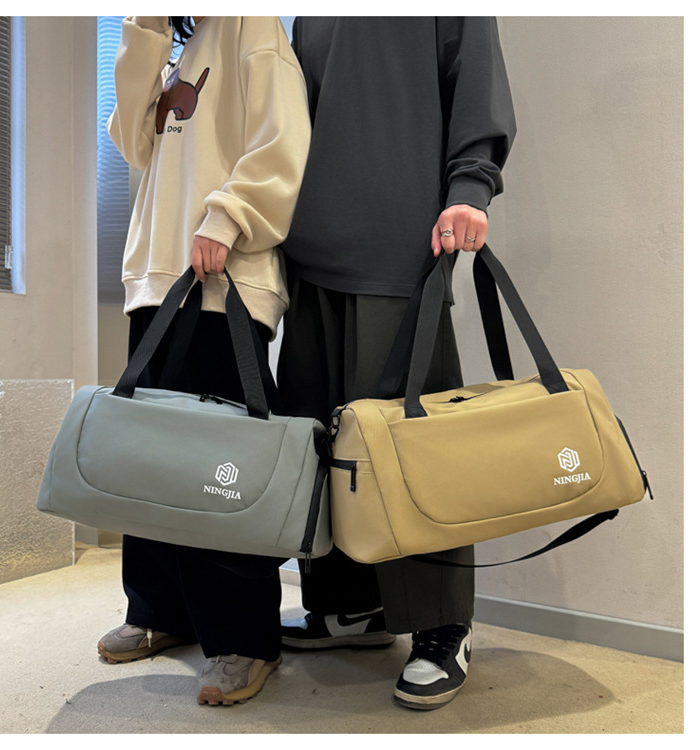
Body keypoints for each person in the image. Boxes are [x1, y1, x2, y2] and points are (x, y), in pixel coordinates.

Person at [277, 17, 516, 711]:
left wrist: (470, 186)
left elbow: (477, 81)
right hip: (309, 255)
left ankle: (444, 626)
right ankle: (349, 608)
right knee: (320, 446)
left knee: (414, 451)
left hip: (399, 246)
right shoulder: (310, 15)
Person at [98, 15, 311, 706]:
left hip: (223, 278)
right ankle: (161, 609)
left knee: (221, 470)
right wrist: (145, 29)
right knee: (151, 461)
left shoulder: (250, 25)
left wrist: (227, 216)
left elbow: (283, 136)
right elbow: (133, 141)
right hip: (155, 279)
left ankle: (243, 635)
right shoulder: (174, 46)